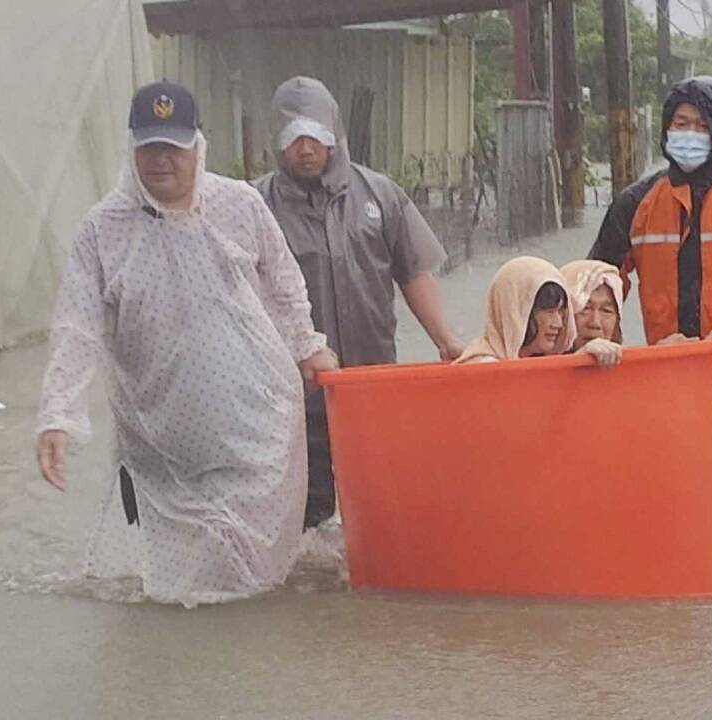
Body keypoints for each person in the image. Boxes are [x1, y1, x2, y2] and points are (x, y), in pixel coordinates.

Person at [34, 82, 338, 606]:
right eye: (149, 147)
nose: (160, 160)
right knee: (177, 593)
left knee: (254, 584)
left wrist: (308, 345)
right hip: (161, 441)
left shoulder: (239, 205)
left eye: (172, 147)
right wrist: (57, 414)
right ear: (132, 149)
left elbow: (286, 283)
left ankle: (244, 671)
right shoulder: (102, 230)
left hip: (255, 429)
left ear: (198, 146)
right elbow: (76, 325)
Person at [588, 76, 712, 537]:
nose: (689, 134)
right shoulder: (635, 203)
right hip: (674, 371)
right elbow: (600, 282)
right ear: (664, 130)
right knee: (672, 488)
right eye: (680, 123)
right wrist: (591, 334)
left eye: (701, 125)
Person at [254, 76, 463, 528]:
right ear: (277, 142)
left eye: (315, 136)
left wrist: (446, 340)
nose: (305, 149)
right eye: (293, 138)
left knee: (381, 510)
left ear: (334, 133)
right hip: (291, 398)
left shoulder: (380, 195)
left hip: (372, 387)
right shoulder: (253, 206)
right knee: (302, 522)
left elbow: (413, 272)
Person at [456, 257, 577, 364]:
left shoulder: (543, 363)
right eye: (549, 312)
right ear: (516, 311)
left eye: (561, 312)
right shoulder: (482, 367)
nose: (558, 323)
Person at [560, 259, 623, 367]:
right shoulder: (534, 364)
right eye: (585, 308)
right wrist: (578, 361)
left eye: (606, 311)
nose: (595, 323)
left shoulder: (629, 373)